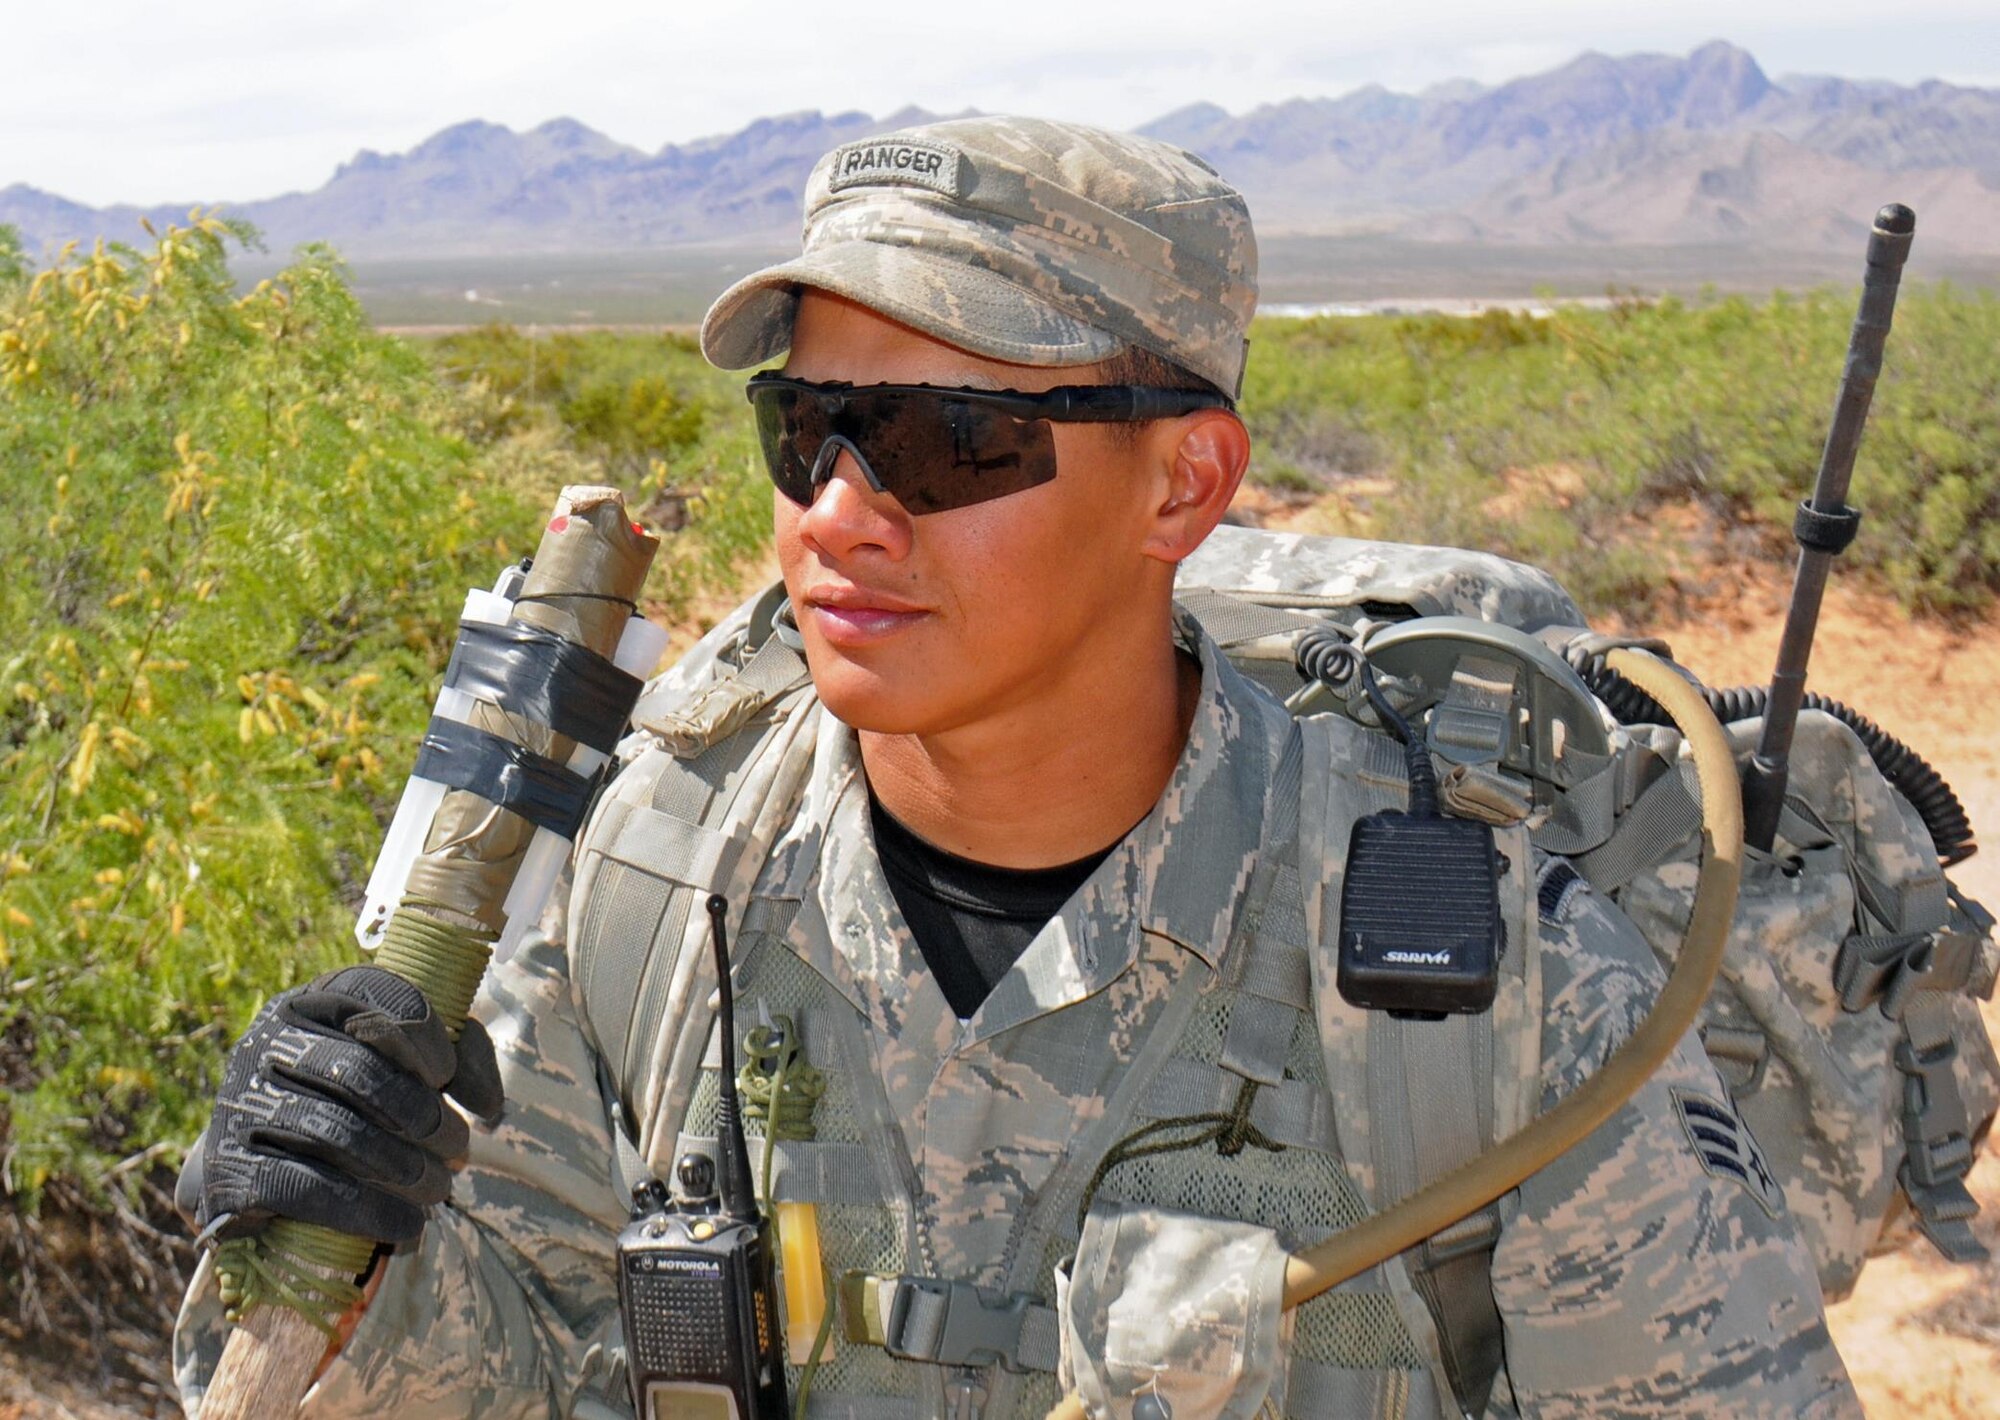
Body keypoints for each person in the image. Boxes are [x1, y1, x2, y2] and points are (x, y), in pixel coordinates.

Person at [174, 115, 1861, 1419]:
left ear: (1182, 487)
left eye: (945, 439)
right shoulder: (662, 882)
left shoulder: (1476, 985)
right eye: (805, 429)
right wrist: (348, 1266)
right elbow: (532, 1369)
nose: (839, 513)